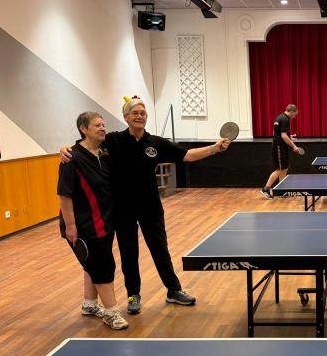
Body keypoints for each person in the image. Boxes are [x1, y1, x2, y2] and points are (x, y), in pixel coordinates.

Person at [60, 96, 230, 315]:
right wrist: (65, 149)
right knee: (128, 252)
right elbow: (86, 144)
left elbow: (187, 155)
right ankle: (133, 295)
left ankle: (173, 289)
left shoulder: (156, 142)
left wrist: (214, 148)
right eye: (135, 113)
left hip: (150, 206)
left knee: (160, 249)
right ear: (126, 117)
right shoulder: (112, 140)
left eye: (143, 113)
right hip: (122, 208)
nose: (139, 116)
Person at [58, 112, 128, 330]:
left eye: (103, 124)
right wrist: (71, 226)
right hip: (84, 225)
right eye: (97, 125)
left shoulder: (104, 153)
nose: (102, 128)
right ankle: (112, 312)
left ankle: (90, 304)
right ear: (83, 129)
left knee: (93, 263)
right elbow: (64, 195)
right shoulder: (71, 159)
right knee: (103, 265)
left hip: (104, 221)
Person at [262, 104, 302, 199]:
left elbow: (277, 133)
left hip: (281, 146)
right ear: (291, 111)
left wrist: (290, 137)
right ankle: (266, 189)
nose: (294, 116)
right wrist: (294, 146)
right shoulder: (285, 119)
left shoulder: (279, 117)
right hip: (279, 147)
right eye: (295, 114)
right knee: (279, 169)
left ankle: (281, 190)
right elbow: (283, 136)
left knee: (284, 169)